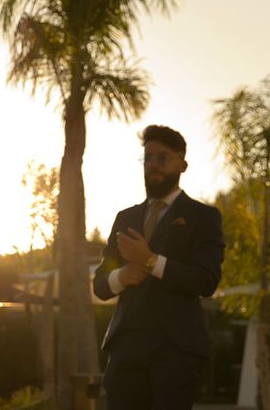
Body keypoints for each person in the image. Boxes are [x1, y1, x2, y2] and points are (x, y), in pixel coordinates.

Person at [93, 125, 225, 410]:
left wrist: (151, 260)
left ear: (182, 164)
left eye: (163, 158)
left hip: (176, 350)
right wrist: (121, 276)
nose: (153, 165)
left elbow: (206, 280)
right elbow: (100, 285)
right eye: (148, 157)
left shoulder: (203, 217)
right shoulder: (125, 217)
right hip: (125, 347)